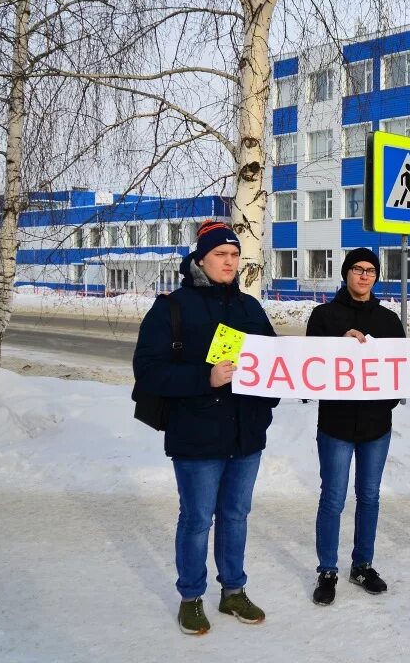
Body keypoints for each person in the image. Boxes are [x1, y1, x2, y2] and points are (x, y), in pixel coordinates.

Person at [133, 220, 279, 634]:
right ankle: (191, 596)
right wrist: (206, 378)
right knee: (197, 519)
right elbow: (148, 372)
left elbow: (276, 363)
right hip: (196, 435)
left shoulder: (250, 307)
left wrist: (268, 402)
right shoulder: (173, 307)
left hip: (246, 434)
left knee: (236, 516)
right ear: (201, 259)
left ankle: (233, 590)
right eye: (221, 255)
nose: (229, 261)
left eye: (234, 255)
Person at [305, 248, 405, 606]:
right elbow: (308, 370)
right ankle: (327, 569)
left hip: (376, 426)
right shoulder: (324, 316)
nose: (364, 276)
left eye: (371, 271)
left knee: (371, 496)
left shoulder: (389, 320)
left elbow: (402, 371)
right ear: (346, 273)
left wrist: (387, 402)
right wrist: (337, 348)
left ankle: (362, 564)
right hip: (336, 423)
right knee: (333, 497)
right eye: (358, 270)